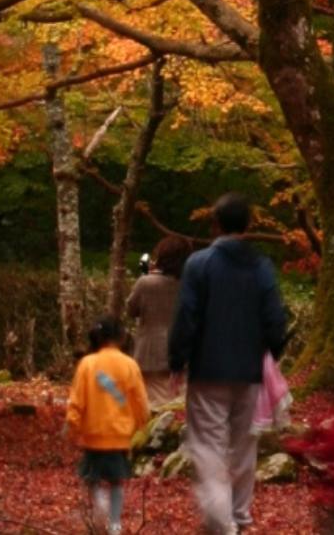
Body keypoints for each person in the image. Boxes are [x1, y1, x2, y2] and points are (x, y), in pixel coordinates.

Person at [169, 194, 290, 535]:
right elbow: (275, 320)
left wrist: (178, 359)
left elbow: (187, 316)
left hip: (208, 370)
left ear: (216, 224)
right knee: (243, 445)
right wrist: (270, 354)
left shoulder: (199, 264)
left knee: (208, 444)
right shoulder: (261, 267)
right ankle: (239, 514)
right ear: (248, 226)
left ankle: (223, 523)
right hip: (250, 371)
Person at [67, 315, 150, 535]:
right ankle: (114, 524)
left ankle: (99, 503)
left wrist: (72, 425)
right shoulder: (129, 365)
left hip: (93, 434)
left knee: (91, 478)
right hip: (120, 435)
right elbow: (140, 400)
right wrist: (143, 425)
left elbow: (77, 400)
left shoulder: (87, 364)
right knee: (117, 481)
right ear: (121, 337)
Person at [126, 236, 189, 407]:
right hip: (184, 352)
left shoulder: (147, 282)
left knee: (154, 408)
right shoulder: (190, 285)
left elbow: (131, 310)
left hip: (150, 352)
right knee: (180, 407)